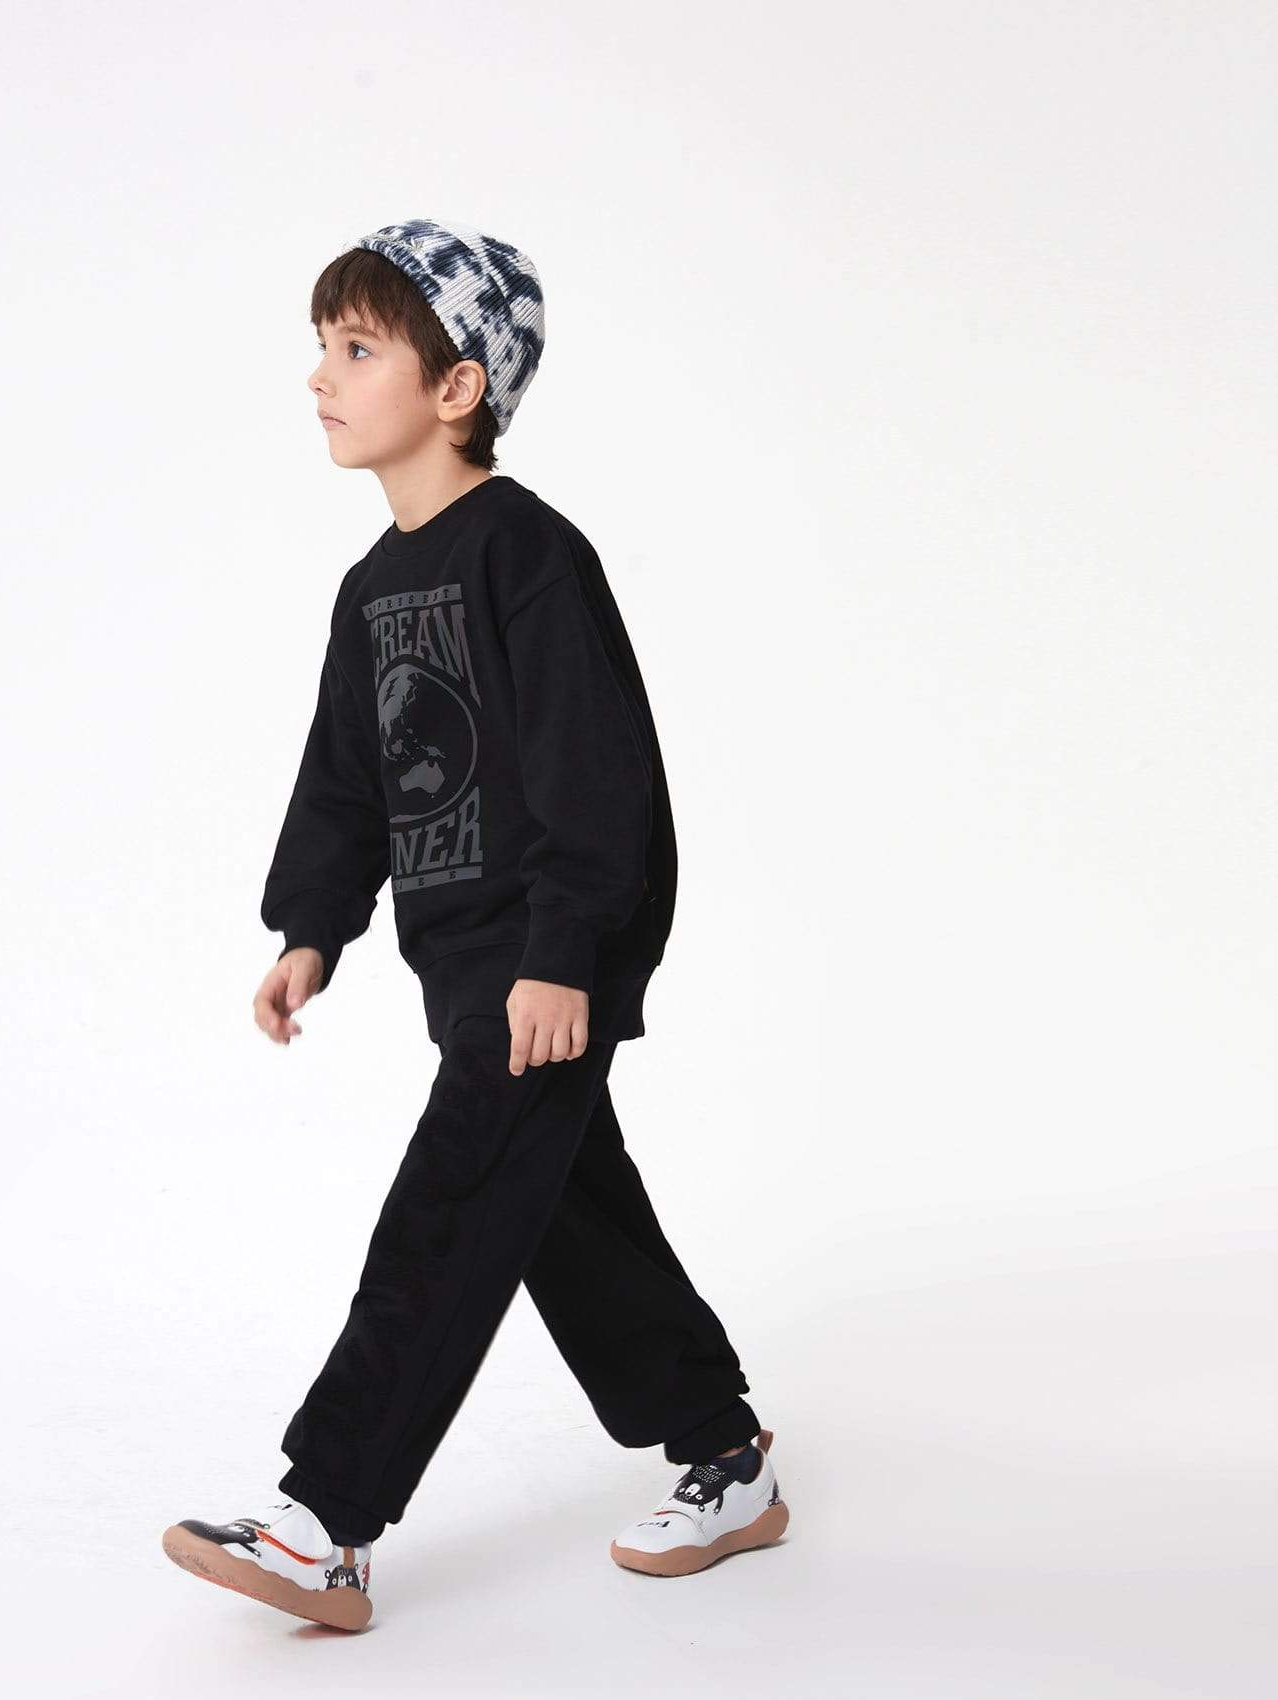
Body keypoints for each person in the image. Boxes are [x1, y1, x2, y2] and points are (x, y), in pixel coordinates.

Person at [160, 220, 789, 1632]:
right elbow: (346, 780)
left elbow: (595, 770)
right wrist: (311, 929)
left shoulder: (529, 554)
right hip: (462, 968)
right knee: (568, 1216)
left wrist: (564, 953)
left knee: (446, 1216)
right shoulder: (371, 589)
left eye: (357, 347)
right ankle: (726, 1453)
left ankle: (324, 1523)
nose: (320, 376)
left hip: (546, 957)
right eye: (321, 347)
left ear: (457, 389)